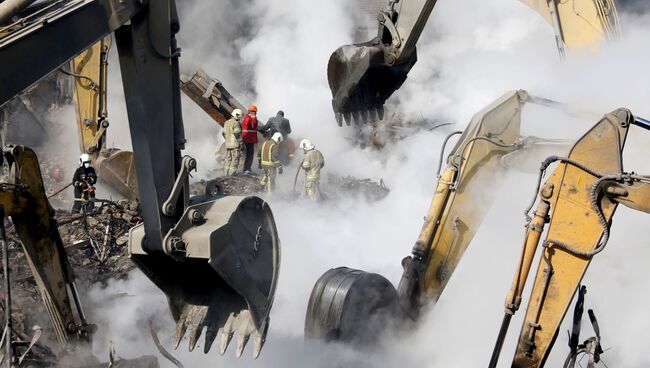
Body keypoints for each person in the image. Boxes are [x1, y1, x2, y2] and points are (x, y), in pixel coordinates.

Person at [223, 108, 244, 176]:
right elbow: (237, 134)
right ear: (237, 115)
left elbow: (223, 133)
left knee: (228, 159)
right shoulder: (236, 123)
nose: (239, 119)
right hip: (235, 145)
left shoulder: (226, 122)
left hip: (227, 145)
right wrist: (241, 143)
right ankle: (232, 174)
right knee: (235, 159)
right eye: (239, 117)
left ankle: (226, 173)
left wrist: (227, 140)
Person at [241, 105, 259, 173]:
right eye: (254, 112)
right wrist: (254, 118)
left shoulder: (247, 117)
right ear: (252, 112)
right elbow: (252, 125)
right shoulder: (248, 118)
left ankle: (247, 168)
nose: (255, 113)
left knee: (250, 154)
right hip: (248, 139)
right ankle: (247, 169)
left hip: (249, 139)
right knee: (250, 155)